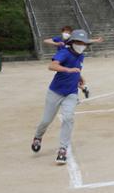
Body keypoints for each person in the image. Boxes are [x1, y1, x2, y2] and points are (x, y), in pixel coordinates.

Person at [31, 29, 92, 164]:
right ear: (72, 42)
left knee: (68, 118)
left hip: (71, 93)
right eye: (79, 42)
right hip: (55, 92)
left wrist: (80, 79)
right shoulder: (64, 52)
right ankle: (38, 136)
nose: (82, 45)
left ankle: (62, 149)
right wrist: (68, 70)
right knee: (46, 120)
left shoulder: (81, 56)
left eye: (84, 43)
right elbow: (52, 66)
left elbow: (76, 69)